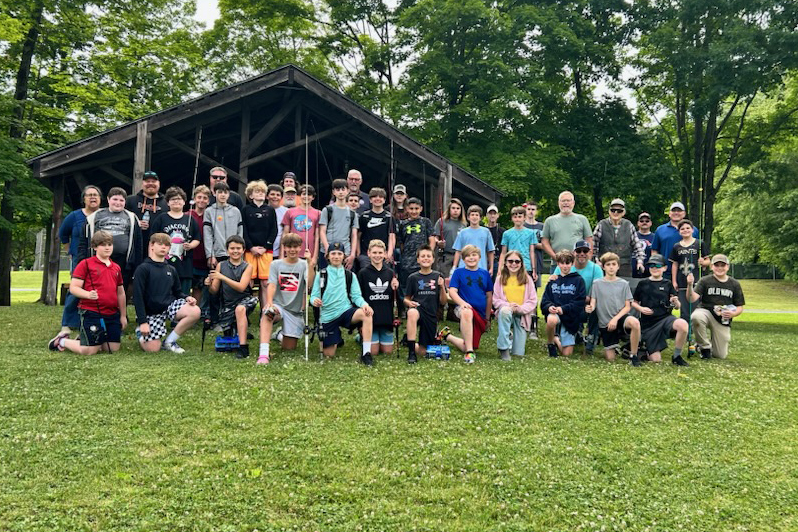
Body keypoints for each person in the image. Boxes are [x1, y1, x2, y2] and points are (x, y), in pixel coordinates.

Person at [48, 231, 127, 355]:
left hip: (111, 314)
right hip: (91, 312)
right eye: (103, 245)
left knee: (112, 348)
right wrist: (87, 294)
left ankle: (86, 338)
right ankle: (62, 341)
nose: (107, 247)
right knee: (89, 351)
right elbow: (74, 288)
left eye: (109, 244)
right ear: (95, 247)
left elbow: (120, 293)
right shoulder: (86, 264)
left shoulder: (116, 267)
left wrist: (123, 315)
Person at [133, 233, 201, 353]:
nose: (163, 247)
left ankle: (169, 342)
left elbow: (178, 292)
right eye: (160, 244)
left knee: (194, 310)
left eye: (166, 245)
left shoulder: (171, 269)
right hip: (151, 313)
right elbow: (138, 297)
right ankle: (140, 332)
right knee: (153, 349)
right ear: (152, 246)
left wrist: (187, 298)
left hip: (168, 307)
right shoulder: (143, 269)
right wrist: (143, 322)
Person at [310, 242, 374, 364]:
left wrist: (365, 305)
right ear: (328, 256)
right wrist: (315, 301)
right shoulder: (321, 274)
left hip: (345, 311)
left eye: (339, 254)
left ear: (344, 256)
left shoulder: (350, 275)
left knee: (366, 314)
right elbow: (313, 296)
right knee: (329, 355)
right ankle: (336, 337)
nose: (336, 256)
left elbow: (356, 296)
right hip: (327, 316)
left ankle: (366, 353)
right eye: (333, 253)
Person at [258, 233, 315, 364]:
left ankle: (279, 334)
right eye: (289, 247)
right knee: (268, 313)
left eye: (295, 246)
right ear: (284, 248)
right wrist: (270, 302)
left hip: (294, 310)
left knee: (289, 348)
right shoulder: (276, 264)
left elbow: (310, 284)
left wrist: (310, 263)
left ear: (300, 247)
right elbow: (271, 285)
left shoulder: (304, 264)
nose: (292, 250)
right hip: (278, 305)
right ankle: (264, 353)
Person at [78, 186, 143, 290]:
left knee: (119, 290)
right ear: (108, 199)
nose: (118, 203)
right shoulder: (94, 216)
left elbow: (138, 243)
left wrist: (136, 265)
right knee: (101, 289)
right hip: (99, 260)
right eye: (115, 199)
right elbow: (83, 242)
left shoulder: (132, 217)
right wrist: (82, 261)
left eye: (121, 200)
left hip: (123, 261)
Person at [58, 185, 102, 335]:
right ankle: (67, 323)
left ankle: (93, 320)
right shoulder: (75, 216)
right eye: (89, 195)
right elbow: (63, 234)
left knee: (99, 290)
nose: (92, 197)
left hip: (100, 260)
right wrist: (70, 251)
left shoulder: (103, 215)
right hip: (80, 260)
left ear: (100, 199)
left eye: (95, 195)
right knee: (76, 290)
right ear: (84, 199)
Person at [438, 244, 493, 364]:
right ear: (463, 259)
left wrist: (487, 318)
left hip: (480, 313)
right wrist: (462, 303)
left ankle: (447, 336)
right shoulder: (458, 273)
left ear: (479, 257)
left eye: (474, 255)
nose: (471, 258)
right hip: (462, 309)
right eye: (467, 256)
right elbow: (452, 291)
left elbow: (489, 296)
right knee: (467, 312)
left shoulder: (484, 274)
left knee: (468, 344)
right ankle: (469, 352)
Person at [632, 253, 690, 366]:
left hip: (665, 319)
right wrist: (641, 308)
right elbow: (633, 302)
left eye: (658, 266)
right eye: (652, 266)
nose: (654, 268)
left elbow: (677, 306)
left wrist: (676, 302)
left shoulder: (668, 284)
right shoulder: (642, 283)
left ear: (664, 268)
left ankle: (677, 356)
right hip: (648, 324)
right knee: (656, 360)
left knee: (683, 325)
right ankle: (645, 350)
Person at [687, 254, 745, 360]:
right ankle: (704, 348)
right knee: (696, 317)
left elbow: (740, 307)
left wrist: (733, 313)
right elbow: (691, 299)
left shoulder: (734, 284)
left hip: (723, 319)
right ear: (711, 266)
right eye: (716, 265)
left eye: (722, 265)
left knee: (720, 355)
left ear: (727, 266)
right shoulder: (705, 280)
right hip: (706, 312)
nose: (719, 268)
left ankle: (698, 347)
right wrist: (690, 285)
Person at [208, 235, 258, 360]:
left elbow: (241, 287)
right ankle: (239, 328)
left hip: (245, 300)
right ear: (227, 250)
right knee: (228, 334)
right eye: (232, 248)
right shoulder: (221, 265)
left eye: (238, 248)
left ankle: (243, 347)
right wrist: (208, 283)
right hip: (227, 304)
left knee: (240, 310)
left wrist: (222, 277)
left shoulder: (248, 266)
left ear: (243, 250)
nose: (235, 251)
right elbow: (214, 290)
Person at [590, 252, 642, 366]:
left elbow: (627, 306)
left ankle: (634, 355)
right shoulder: (596, 284)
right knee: (610, 359)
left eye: (614, 264)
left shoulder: (623, 284)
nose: (611, 267)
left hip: (620, 317)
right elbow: (593, 302)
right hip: (605, 323)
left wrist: (615, 319)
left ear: (618, 266)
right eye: (608, 264)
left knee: (635, 323)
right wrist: (590, 308)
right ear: (603, 267)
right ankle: (615, 348)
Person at [552, 240, 604, 353]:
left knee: (596, 309)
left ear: (590, 253)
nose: (582, 254)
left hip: (587, 303)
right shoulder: (565, 266)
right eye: (578, 251)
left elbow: (598, 292)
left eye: (585, 251)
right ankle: (557, 337)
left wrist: (587, 302)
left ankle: (590, 341)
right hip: (566, 304)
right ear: (573, 253)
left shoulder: (596, 269)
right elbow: (554, 287)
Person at [150, 186, 201, 295]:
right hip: (163, 264)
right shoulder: (161, 218)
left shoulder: (190, 219)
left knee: (183, 295)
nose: (176, 201)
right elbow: (152, 240)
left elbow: (197, 238)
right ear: (168, 203)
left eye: (179, 199)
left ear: (184, 202)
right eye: (173, 199)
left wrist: (191, 245)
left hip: (185, 267)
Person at [592, 198, 646, 294]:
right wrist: (596, 261)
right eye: (613, 210)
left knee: (624, 292)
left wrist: (640, 262)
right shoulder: (601, 224)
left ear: (623, 212)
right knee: (605, 292)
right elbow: (593, 246)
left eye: (619, 211)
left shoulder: (629, 225)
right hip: (605, 265)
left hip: (624, 265)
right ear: (609, 211)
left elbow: (637, 246)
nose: (616, 213)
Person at [404, 245, 446, 364]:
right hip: (418, 310)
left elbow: (443, 301)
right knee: (412, 313)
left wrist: (442, 286)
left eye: (428, 256)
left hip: (431, 314)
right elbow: (406, 299)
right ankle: (411, 352)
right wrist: (409, 303)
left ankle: (408, 341)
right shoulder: (413, 277)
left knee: (423, 352)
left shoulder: (438, 276)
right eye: (422, 256)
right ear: (418, 259)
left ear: (433, 259)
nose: (425, 258)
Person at [492, 250, 537, 361]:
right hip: (506, 312)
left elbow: (533, 300)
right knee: (505, 311)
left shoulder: (527, 279)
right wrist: (508, 306)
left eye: (517, 261)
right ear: (506, 263)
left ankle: (510, 337)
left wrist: (520, 308)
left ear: (521, 264)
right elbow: (495, 300)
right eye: (510, 261)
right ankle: (503, 348)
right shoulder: (500, 279)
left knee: (518, 353)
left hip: (522, 315)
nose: (513, 264)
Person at [540, 250, 586, 357]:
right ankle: (551, 343)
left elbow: (579, 302)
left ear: (572, 263)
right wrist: (549, 307)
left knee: (567, 354)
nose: (565, 266)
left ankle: (557, 339)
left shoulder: (578, 280)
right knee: (551, 319)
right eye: (562, 263)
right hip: (555, 314)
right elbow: (544, 301)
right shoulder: (553, 281)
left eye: (567, 263)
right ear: (558, 264)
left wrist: (563, 309)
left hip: (570, 317)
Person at [358, 239, 399, 356]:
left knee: (387, 352)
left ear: (385, 254)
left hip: (386, 319)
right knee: (374, 352)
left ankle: (383, 336)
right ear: (368, 253)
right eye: (374, 253)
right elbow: (359, 296)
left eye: (380, 253)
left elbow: (395, 298)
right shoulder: (363, 273)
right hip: (371, 319)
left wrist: (397, 287)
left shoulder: (391, 273)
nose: (377, 256)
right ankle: (361, 335)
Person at [242, 180, 278, 309]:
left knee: (265, 282)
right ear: (251, 195)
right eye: (257, 191)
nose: (260, 194)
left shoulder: (270, 210)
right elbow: (244, 230)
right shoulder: (245, 209)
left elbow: (274, 230)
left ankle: (266, 310)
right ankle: (246, 310)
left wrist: (266, 246)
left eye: (263, 191)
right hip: (249, 250)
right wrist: (250, 247)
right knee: (248, 281)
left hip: (266, 251)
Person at [397, 197, 435, 316]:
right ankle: (404, 308)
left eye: (416, 208)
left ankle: (421, 308)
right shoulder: (403, 223)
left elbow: (432, 239)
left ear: (421, 209)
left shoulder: (426, 222)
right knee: (405, 285)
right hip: (407, 260)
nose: (414, 211)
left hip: (422, 260)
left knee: (421, 285)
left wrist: (429, 254)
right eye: (411, 208)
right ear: (407, 209)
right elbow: (401, 243)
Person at [669, 219, 710, 320]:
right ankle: (686, 332)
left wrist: (703, 262)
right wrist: (674, 281)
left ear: (692, 230)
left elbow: (708, 261)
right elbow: (675, 264)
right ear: (679, 232)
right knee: (685, 309)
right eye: (682, 229)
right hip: (682, 281)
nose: (685, 230)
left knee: (696, 308)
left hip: (697, 280)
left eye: (688, 228)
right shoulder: (676, 246)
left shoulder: (699, 244)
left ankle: (696, 328)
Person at [541, 191, 593, 271]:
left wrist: (587, 259)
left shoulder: (582, 219)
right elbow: (544, 242)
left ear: (573, 203)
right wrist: (555, 257)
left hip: (578, 263)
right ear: (558, 203)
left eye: (568, 200)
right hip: (557, 264)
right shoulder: (550, 221)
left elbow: (589, 240)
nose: (566, 203)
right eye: (563, 201)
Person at [651, 201, 698, 280]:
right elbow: (654, 250)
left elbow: (699, 250)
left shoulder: (693, 230)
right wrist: (656, 266)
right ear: (669, 213)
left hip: (688, 272)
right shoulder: (660, 230)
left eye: (679, 210)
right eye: (673, 210)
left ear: (684, 213)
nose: (676, 213)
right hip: (665, 272)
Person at [319, 178, 359, 270]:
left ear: (348, 191)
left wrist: (352, 254)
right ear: (333, 192)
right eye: (337, 190)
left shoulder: (353, 214)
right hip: (326, 251)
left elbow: (354, 235)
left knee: (344, 280)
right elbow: (322, 231)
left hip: (345, 252)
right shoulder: (327, 210)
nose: (341, 192)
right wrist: (327, 248)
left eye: (343, 189)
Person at [203, 181, 244, 270]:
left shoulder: (235, 211)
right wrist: (210, 255)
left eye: (225, 192)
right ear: (214, 193)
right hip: (217, 254)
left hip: (234, 252)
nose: (223, 195)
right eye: (220, 192)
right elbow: (207, 235)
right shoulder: (209, 211)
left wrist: (240, 252)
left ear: (229, 194)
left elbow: (240, 233)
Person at [356, 188, 395, 271]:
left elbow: (392, 236)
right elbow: (358, 236)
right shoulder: (364, 216)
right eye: (374, 196)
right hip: (366, 254)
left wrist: (389, 253)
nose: (378, 199)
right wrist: (358, 253)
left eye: (381, 197)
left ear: (384, 200)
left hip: (383, 255)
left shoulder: (390, 217)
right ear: (370, 200)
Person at [126, 170, 168, 245]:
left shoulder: (167, 203)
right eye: (147, 181)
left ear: (159, 184)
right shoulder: (130, 200)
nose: (150, 183)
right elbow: (122, 219)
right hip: (134, 244)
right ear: (142, 184)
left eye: (153, 181)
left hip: (158, 245)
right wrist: (136, 223)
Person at [282, 184, 321, 264]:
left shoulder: (318, 213)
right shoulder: (290, 212)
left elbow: (317, 237)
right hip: (292, 252)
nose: (306, 196)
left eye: (309, 194)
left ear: (313, 197)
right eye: (304, 194)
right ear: (299, 196)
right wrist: (283, 254)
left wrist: (315, 256)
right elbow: (285, 234)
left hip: (309, 253)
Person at [451, 205, 495, 277]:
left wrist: (491, 268)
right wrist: (454, 267)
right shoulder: (462, 232)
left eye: (477, 215)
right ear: (468, 217)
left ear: (480, 218)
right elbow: (458, 251)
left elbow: (490, 251)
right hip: (464, 267)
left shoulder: (486, 232)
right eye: (472, 215)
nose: (474, 217)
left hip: (481, 267)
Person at [498, 206, 538, 282]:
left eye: (520, 217)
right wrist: (500, 269)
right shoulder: (507, 234)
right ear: (512, 218)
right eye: (515, 217)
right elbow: (503, 253)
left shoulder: (531, 233)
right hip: (511, 265)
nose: (517, 219)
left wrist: (534, 269)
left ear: (524, 218)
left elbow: (532, 252)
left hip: (526, 266)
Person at [190, 185, 212, 318]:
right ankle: (192, 311)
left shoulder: (210, 215)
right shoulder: (188, 215)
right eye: (199, 197)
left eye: (205, 198)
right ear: (194, 199)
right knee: (192, 285)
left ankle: (202, 311)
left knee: (204, 285)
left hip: (206, 255)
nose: (202, 200)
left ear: (208, 200)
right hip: (191, 256)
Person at [433, 198, 466, 279]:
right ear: (449, 209)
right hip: (446, 255)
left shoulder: (464, 224)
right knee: (444, 279)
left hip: (460, 257)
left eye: (458, 208)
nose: (455, 210)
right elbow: (434, 237)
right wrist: (438, 242)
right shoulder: (441, 221)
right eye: (453, 208)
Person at [523, 201, 545, 288]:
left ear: (536, 211)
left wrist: (533, 244)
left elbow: (545, 245)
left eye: (533, 209)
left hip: (537, 261)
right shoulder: (522, 225)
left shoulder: (542, 226)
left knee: (534, 290)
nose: (531, 211)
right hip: (524, 261)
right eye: (528, 209)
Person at [267, 184, 289, 259]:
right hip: (264, 251)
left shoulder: (287, 211)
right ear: (267, 196)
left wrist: (282, 254)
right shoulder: (261, 209)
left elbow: (286, 232)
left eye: (278, 195)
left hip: (280, 252)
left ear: (281, 198)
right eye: (272, 194)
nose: (275, 197)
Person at [633, 212, 655, 279]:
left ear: (650, 223)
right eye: (641, 221)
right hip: (634, 269)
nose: (644, 222)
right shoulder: (633, 236)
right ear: (638, 223)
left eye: (647, 221)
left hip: (650, 270)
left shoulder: (655, 237)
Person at [486, 204, 505, 279]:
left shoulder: (502, 231)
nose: (492, 216)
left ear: (498, 215)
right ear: (487, 215)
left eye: (494, 214)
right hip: (484, 260)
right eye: (490, 214)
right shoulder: (483, 230)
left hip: (497, 261)